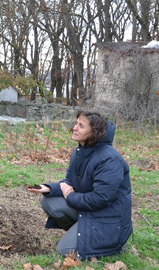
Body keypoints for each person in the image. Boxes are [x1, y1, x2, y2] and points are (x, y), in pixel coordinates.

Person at [28, 111, 133, 259]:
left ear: (94, 132)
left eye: (81, 126)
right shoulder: (79, 153)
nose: (74, 128)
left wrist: (70, 196)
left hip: (108, 220)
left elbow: (100, 199)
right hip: (90, 212)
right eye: (76, 123)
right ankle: (80, 235)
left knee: (64, 250)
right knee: (49, 201)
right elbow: (70, 183)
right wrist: (49, 188)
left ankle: (114, 244)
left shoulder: (110, 160)